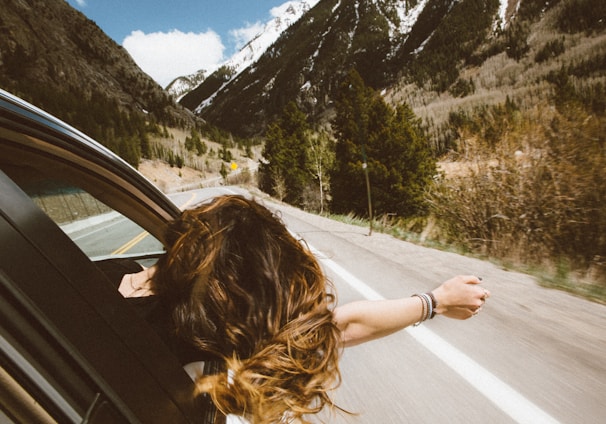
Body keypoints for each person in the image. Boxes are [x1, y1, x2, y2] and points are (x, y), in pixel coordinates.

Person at [101, 195, 490, 423]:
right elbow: (342, 325)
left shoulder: (93, 277)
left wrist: (435, 302)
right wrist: (435, 302)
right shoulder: (201, 345)